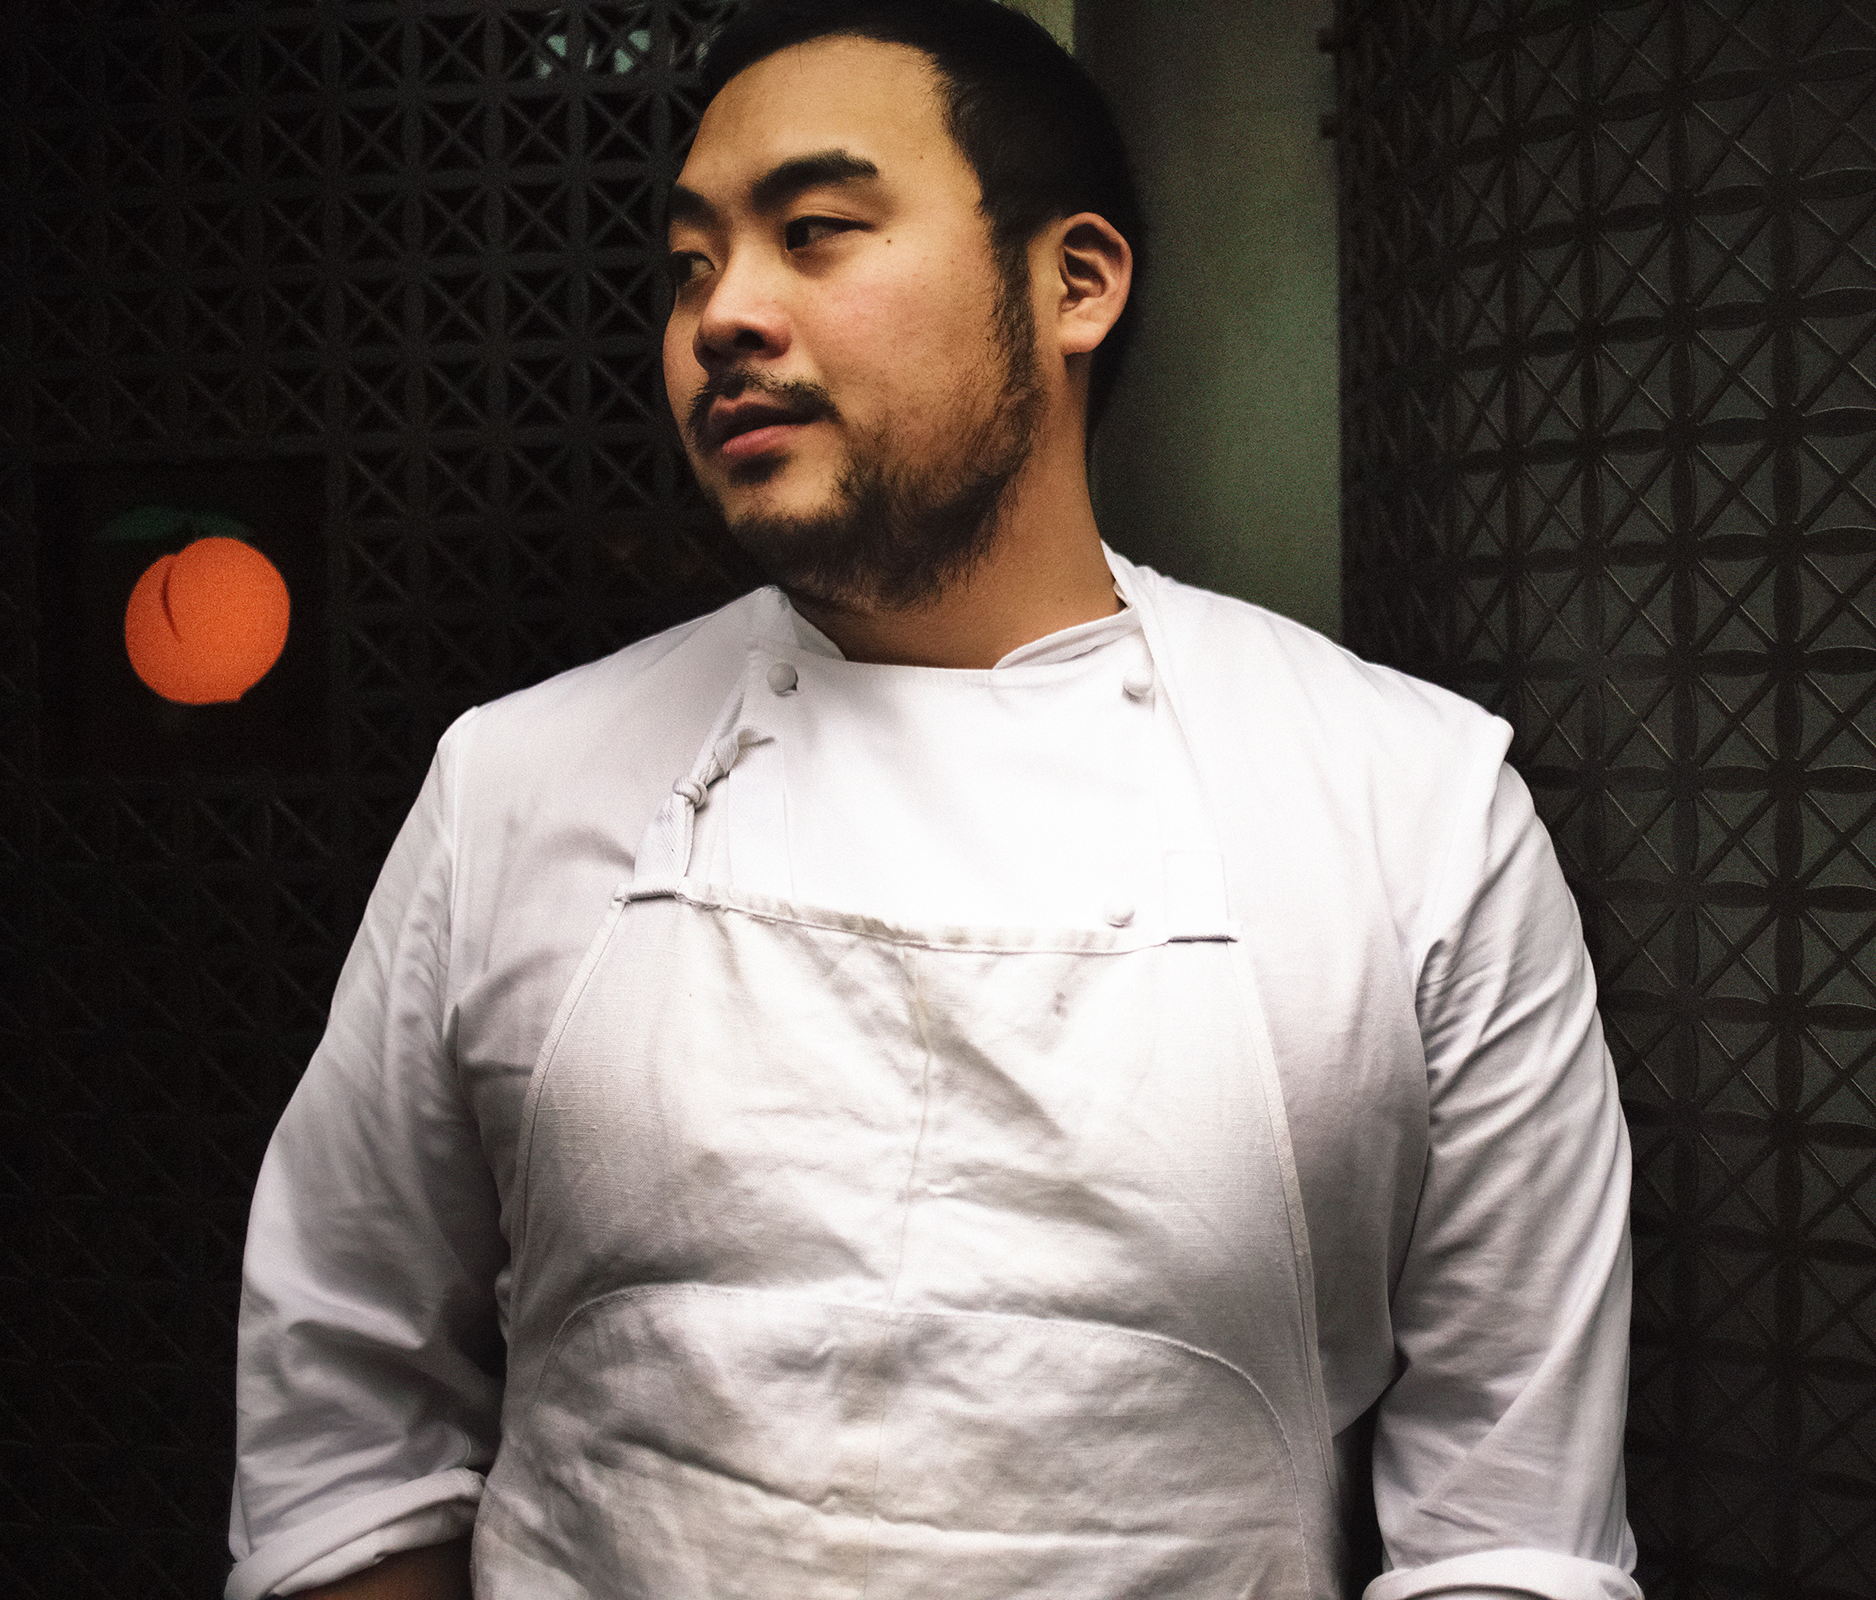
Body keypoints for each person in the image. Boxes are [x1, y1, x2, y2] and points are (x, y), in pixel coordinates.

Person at [225, 3, 1638, 1597]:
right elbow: (340, 1418)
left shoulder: (1411, 807)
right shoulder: (512, 780)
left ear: (1074, 282)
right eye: (688, 264)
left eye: (815, 232)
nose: (721, 314)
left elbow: (1511, 1527)